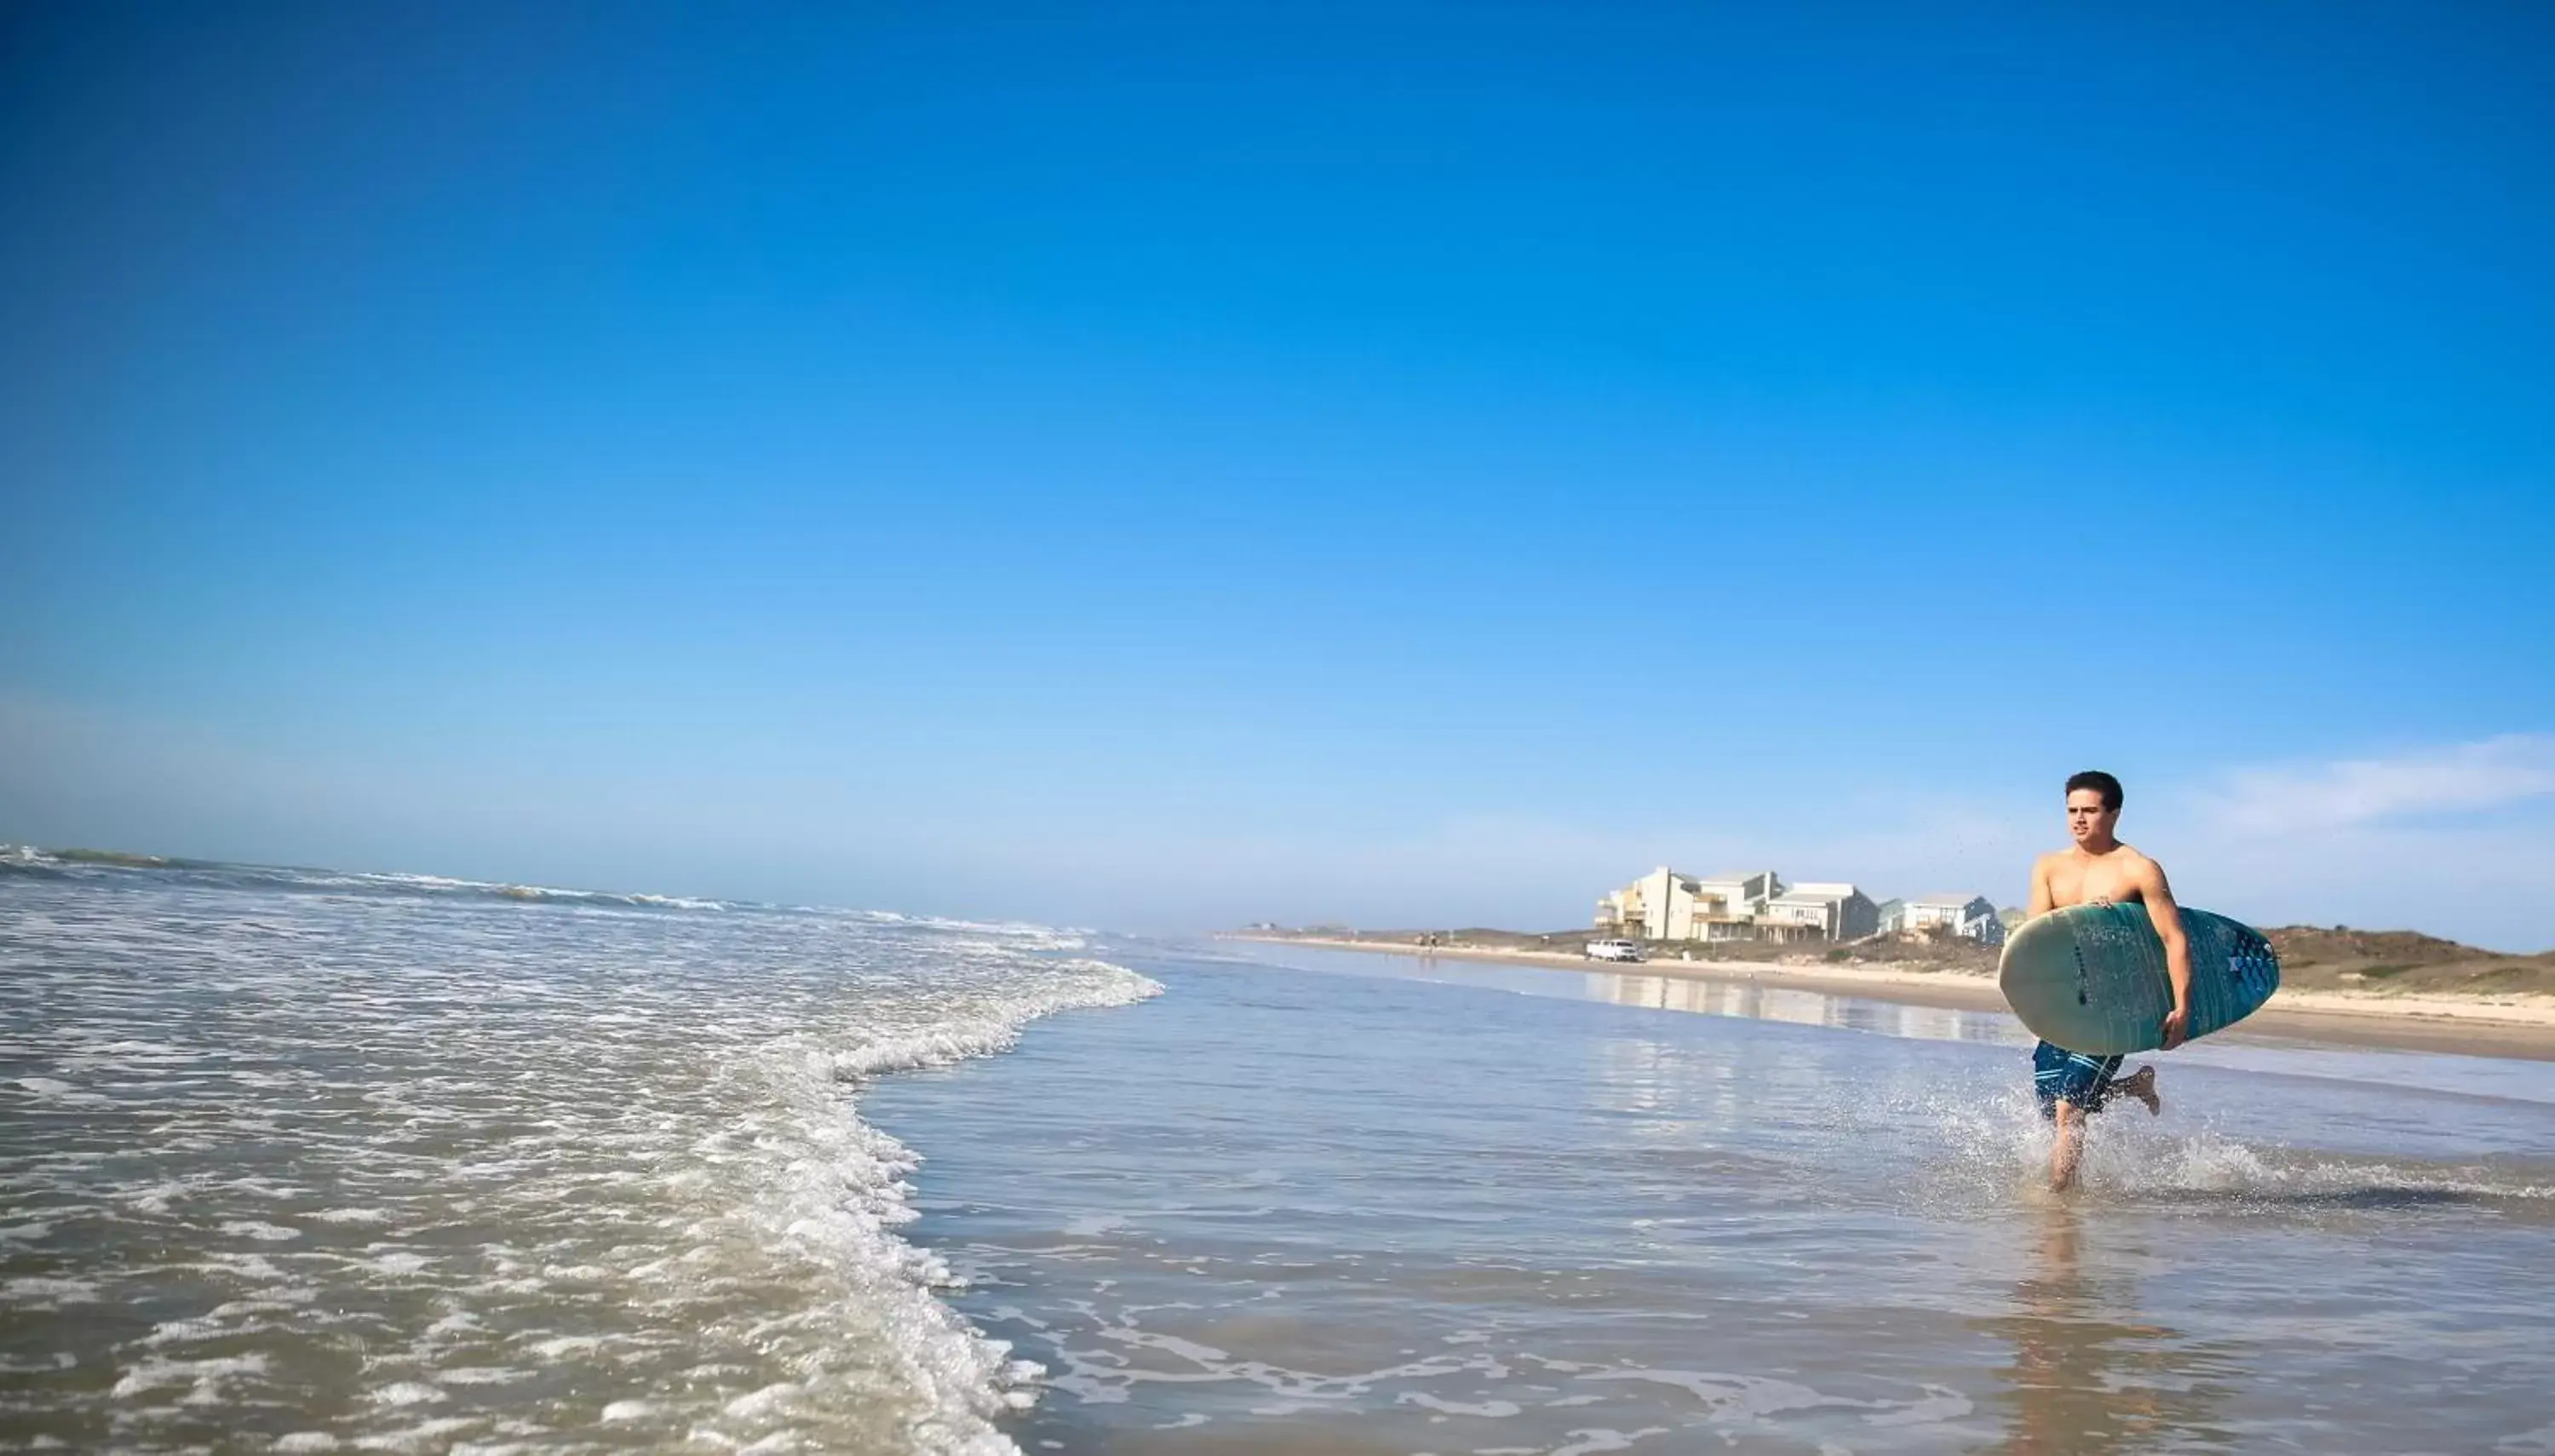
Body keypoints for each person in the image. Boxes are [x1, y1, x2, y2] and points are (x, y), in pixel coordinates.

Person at [2024, 770, 2190, 1191]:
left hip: (2114, 1004)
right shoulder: (2049, 867)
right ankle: (2134, 1086)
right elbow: (2036, 935)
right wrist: (2080, 920)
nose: (2079, 819)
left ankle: (2059, 1205)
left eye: (2090, 811)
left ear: (2114, 813)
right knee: (2055, 1105)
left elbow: (2173, 939)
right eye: (2072, 811)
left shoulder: (2139, 870)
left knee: (2068, 1108)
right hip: (2064, 1003)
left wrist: (2182, 1006)